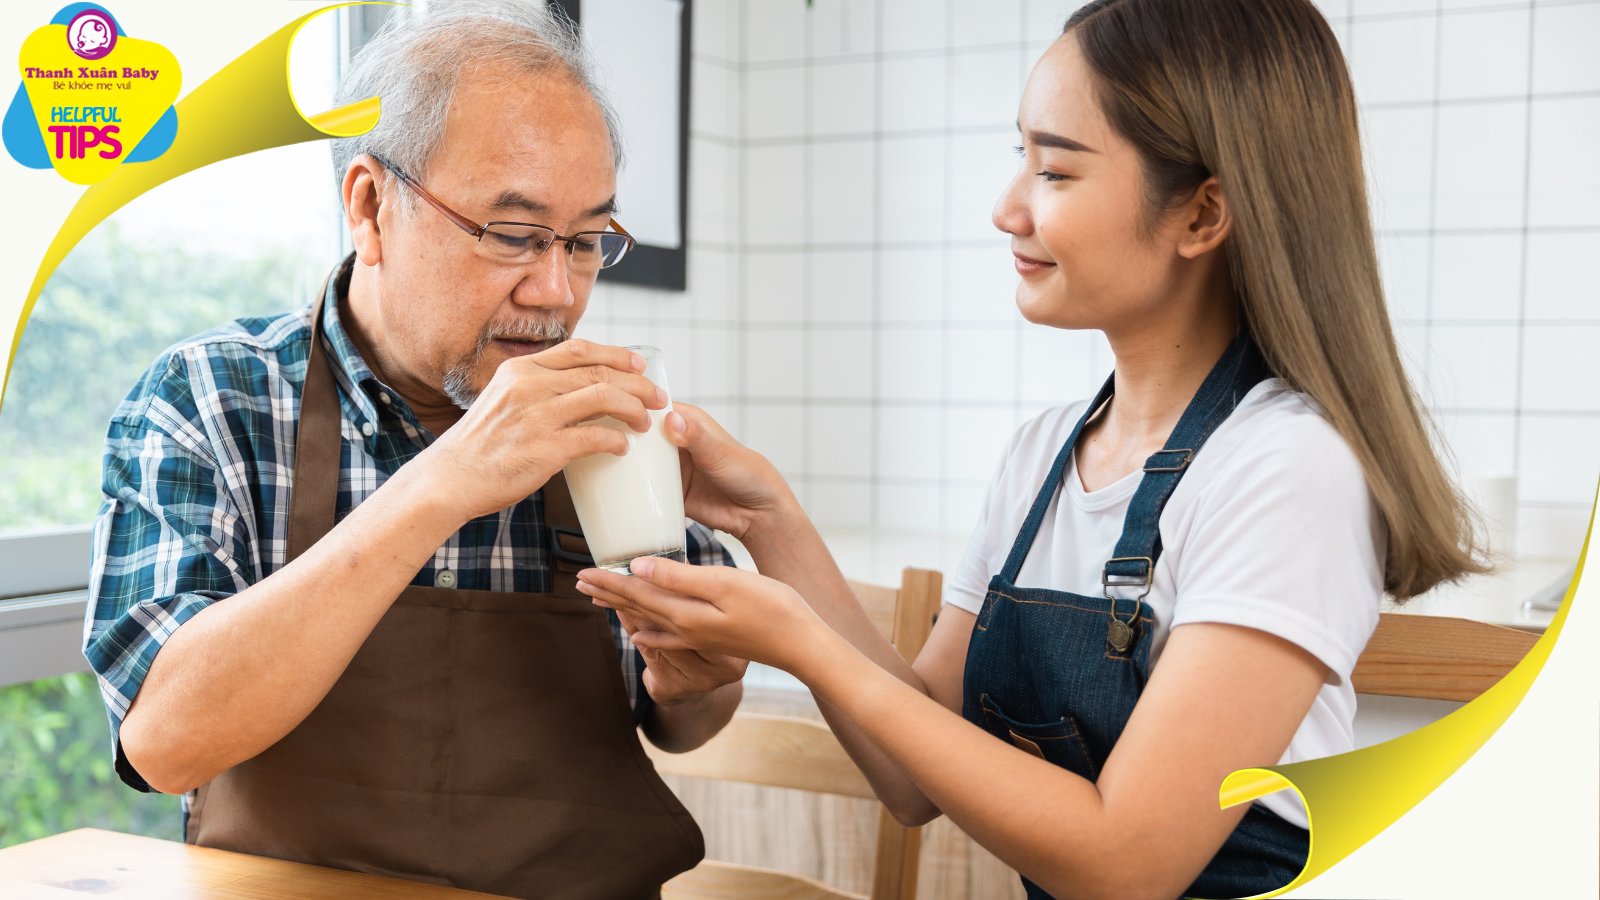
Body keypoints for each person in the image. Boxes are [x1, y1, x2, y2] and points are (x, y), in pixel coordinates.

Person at [576, 0, 1488, 897]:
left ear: (1203, 215)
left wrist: (801, 644)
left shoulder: (1288, 468)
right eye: (1024, 157)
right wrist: (769, 522)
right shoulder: (1044, 457)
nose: (1007, 208)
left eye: (1055, 171)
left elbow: (1127, 864)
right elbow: (916, 775)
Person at [83, 2, 743, 896]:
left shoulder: (606, 419)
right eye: (512, 235)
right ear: (370, 205)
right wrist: (441, 485)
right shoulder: (211, 400)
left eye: (585, 241)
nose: (555, 293)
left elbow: (684, 721)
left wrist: (691, 684)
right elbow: (164, 743)